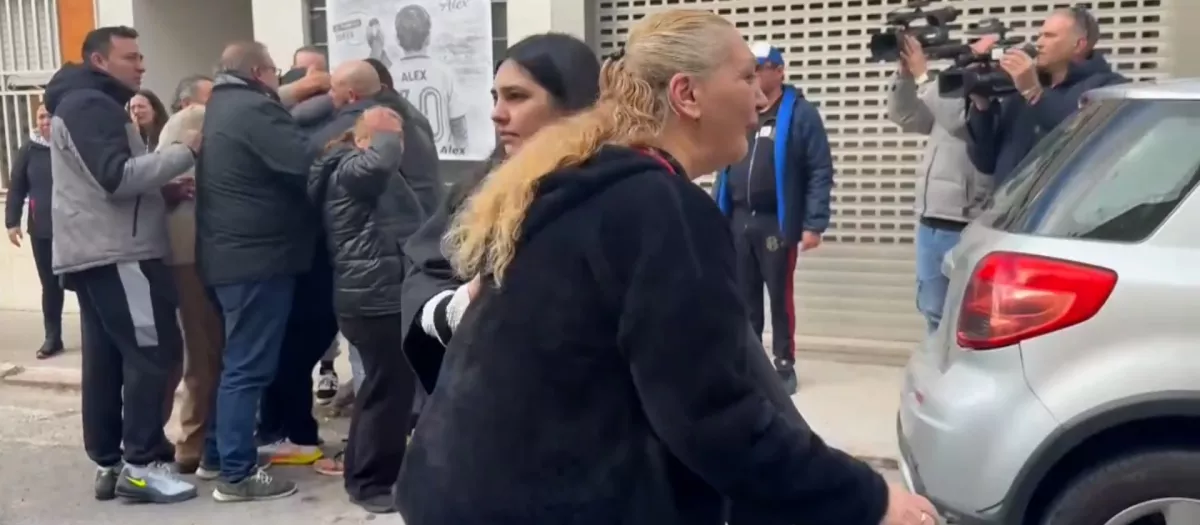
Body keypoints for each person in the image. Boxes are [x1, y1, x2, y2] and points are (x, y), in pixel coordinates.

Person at [393, 10, 936, 525]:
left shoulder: (576, 183)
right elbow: (713, 419)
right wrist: (869, 499)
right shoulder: (660, 209)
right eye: (746, 78)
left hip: (454, 493)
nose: (758, 99)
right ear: (687, 94)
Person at [45, 25, 201, 504]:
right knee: (154, 353)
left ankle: (111, 463)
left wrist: (161, 193)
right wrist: (184, 153)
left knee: (108, 360)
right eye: (131, 57)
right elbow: (116, 178)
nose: (141, 65)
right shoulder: (91, 105)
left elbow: (101, 182)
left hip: (99, 250)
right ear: (99, 61)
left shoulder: (81, 102)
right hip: (120, 253)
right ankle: (142, 464)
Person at [400, 32, 600, 395]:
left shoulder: (622, 187)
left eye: (516, 96)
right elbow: (427, 268)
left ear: (572, 104)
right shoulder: (481, 186)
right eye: (495, 97)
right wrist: (454, 308)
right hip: (483, 399)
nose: (497, 113)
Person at [195, 41, 315, 501]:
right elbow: (304, 162)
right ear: (260, 72)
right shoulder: (255, 110)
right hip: (257, 259)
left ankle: (217, 456)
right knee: (247, 368)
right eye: (275, 71)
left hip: (227, 256)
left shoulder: (223, 104)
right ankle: (238, 474)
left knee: (235, 363)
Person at [310, 106, 419, 513]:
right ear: (360, 140)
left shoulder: (359, 171)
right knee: (386, 392)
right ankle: (370, 481)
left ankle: (368, 473)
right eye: (387, 137)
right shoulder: (351, 170)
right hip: (372, 298)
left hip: (378, 293)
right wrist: (385, 132)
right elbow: (382, 159)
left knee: (383, 389)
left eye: (400, 137)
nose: (397, 145)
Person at [710, 42, 834, 394]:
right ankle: (750, 363)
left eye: (761, 69)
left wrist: (814, 223)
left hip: (775, 222)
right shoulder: (740, 112)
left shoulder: (799, 114)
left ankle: (783, 363)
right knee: (743, 295)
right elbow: (723, 165)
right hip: (739, 219)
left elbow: (819, 169)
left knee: (779, 297)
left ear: (779, 72)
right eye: (749, 70)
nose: (754, 76)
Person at [888, 35, 994, 333]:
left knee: (965, 317)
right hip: (931, 218)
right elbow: (907, 116)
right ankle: (934, 361)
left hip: (964, 221)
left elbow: (961, 124)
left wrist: (924, 76)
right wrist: (905, 77)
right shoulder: (947, 91)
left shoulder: (993, 91)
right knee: (932, 311)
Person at [967, 6, 1127, 184]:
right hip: (1011, 200)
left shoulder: (1107, 87)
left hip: (1062, 199)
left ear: (1079, 45)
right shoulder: (1021, 90)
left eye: (1050, 36)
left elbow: (1074, 133)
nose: (1039, 43)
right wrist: (982, 109)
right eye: (1039, 35)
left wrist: (1034, 93)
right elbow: (985, 163)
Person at [157, 100, 223, 475]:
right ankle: (192, 441)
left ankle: (194, 439)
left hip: (188, 254)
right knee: (204, 352)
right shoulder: (194, 119)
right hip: (193, 255)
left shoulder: (182, 125)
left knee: (201, 352)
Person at [5, 104, 67, 359]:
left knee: (85, 285)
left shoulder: (70, 145)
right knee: (50, 286)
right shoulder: (29, 149)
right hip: (41, 229)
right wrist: (12, 222)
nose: (45, 121)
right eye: (41, 116)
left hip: (74, 229)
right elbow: (17, 186)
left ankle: (97, 341)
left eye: (50, 116)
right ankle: (53, 337)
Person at [392, 4, 468, 151]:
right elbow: (459, 127)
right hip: (441, 158)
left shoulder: (389, 76)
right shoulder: (444, 72)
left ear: (397, 39)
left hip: (404, 159)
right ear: (428, 37)